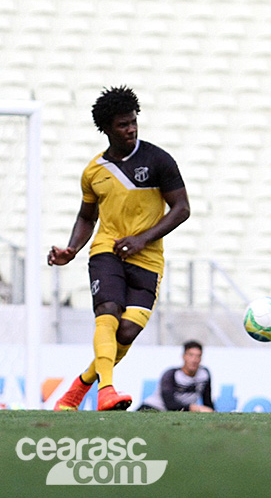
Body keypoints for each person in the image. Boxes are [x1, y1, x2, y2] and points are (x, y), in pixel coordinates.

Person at [48, 86, 190, 411]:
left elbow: (182, 208)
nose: (131, 129)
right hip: (106, 251)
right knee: (108, 311)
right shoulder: (94, 172)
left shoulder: (158, 160)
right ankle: (107, 390)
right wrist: (72, 249)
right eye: (123, 125)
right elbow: (87, 217)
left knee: (125, 332)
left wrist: (142, 239)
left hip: (148, 259)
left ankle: (79, 387)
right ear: (106, 128)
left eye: (133, 122)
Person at [138, 340, 214, 412]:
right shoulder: (171, 374)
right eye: (191, 355)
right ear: (183, 356)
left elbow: (207, 401)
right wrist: (193, 408)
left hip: (180, 413)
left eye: (198, 356)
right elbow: (169, 404)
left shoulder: (204, 374)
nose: (194, 360)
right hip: (153, 408)